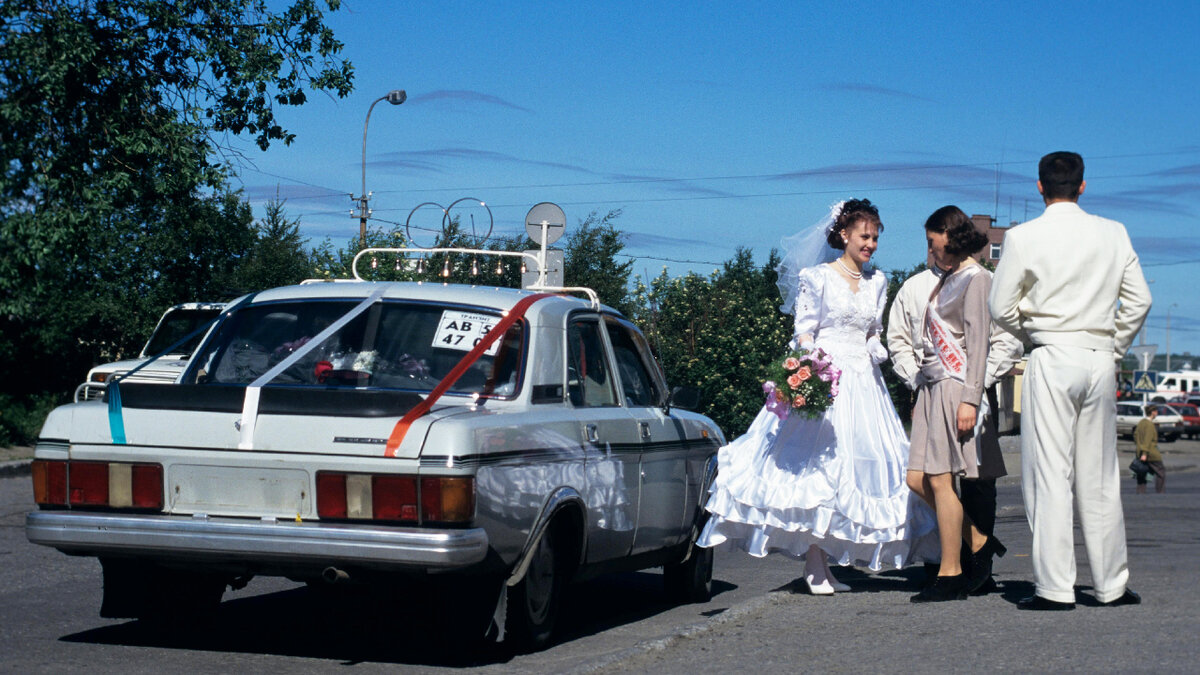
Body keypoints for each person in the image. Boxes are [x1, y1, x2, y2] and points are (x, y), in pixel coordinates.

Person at [697, 199, 936, 595]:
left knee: (861, 467)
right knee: (819, 469)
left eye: (875, 238)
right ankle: (815, 563)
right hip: (829, 377)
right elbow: (805, 330)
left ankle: (824, 562)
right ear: (844, 235)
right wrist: (812, 365)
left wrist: (877, 347)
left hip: (865, 381)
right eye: (865, 236)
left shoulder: (879, 281)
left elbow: (873, 328)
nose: (871, 244)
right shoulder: (818, 277)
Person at [989, 151, 1152, 611]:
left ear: (1039, 187)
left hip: (1051, 355)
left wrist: (1034, 333)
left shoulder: (1022, 237)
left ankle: (1056, 588)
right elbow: (1139, 300)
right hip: (1099, 356)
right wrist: (1112, 347)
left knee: (1049, 474)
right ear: (1083, 186)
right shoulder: (1114, 233)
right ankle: (1112, 585)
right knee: (1100, 476)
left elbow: (1000, 307)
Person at [887, 208, 1024, 598]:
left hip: (957, 388)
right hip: (931, 387)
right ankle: (978, 539)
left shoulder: (979, 279)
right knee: (919, 479)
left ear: (949, 235)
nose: (930, 251)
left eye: (933, 242)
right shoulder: (941, 280)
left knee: (950, 479)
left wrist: (970, 397)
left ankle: (951, 573)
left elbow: (980, 343)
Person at [1133, 405, 1166, 493]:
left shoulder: (1141, 423)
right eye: (1156, 411)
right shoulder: (1149, 425)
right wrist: (1145, 453)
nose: (1157, 413)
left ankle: (1140, 492)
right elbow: (1147, 439)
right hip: (1151, 453)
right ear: (1152, 412)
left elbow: (1136, 435)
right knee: (1160, 472)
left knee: (1142, 472)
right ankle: (1160, 492)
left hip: (1140, 451)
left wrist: (1139, 448)